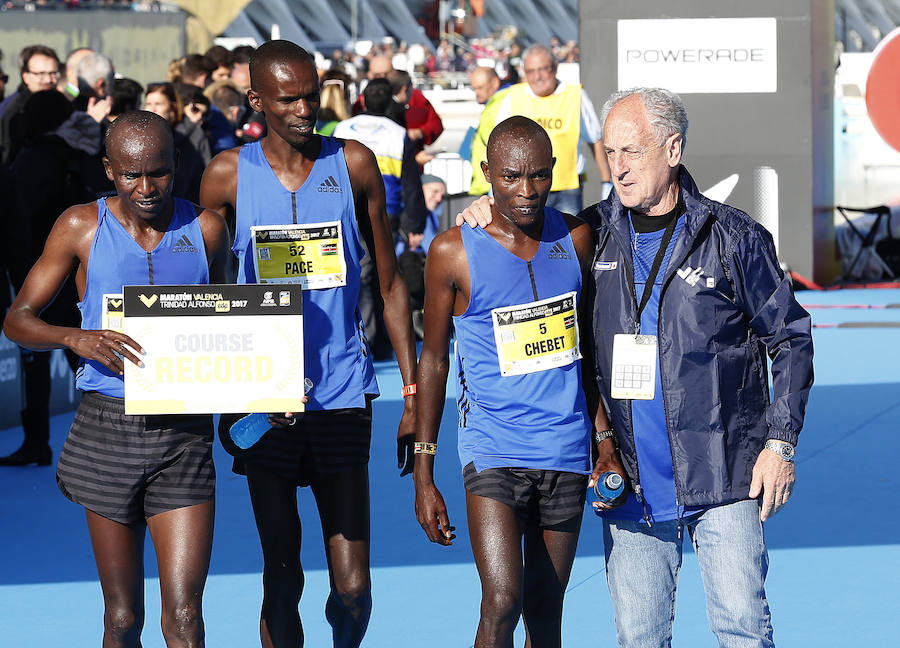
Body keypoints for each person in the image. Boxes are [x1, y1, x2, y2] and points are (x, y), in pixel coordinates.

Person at [459, 87, 814, 648]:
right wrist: (481, 208)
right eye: (610, 153)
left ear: (672, 149)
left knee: (742, 631)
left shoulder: (733, 236)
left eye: (633, 152)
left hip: (724, 471)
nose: (618, 169)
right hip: (632, 483)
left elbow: (790, 337)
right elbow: (519, 228)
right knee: (639, 640)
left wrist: (780, 443)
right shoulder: (589, 231)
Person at [199, 40, 418, 648]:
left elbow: (392, 283)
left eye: (311, 95)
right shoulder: (225, 175)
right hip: (263, 404)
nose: (304, 110)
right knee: (282, 575)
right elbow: (202, 294)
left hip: (343, 393)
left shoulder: (353, 165)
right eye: (287, 99)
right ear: (256, 101)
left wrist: (412, 390)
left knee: (353, 590)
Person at [2, 110, 230, 647]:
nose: (146, 188)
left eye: (159, 173)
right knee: (124, 619)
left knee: (185, 619)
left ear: (177, 165)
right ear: (109, 170)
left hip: (184, 432)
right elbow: (17, 319)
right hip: (106, 429)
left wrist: (262, 389)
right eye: (131, 175)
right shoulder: (81, 226)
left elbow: (232, 324)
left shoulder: (207, 228)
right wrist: (75, 338)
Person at [415, 116, 622, 648]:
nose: (526, 192)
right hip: (494, 450)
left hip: (565, 448)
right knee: (502, 602)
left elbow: (588, 352)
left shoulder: (576, 238)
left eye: (538, 177)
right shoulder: (452, 251)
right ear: (486, 173)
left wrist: (602, 439)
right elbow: (434, 358)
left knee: (546, 610)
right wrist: (424, 471)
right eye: (510, 178)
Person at [334, 77, 426, 360]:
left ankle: (370, 336)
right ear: (389, 102)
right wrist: (416, 223)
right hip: (388, 210)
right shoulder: (398, 133)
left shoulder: (342, 128)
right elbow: (410, 182)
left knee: (358, 274)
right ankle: (376, 339)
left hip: (347, 208)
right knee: (384, 277)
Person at [494, 43, 611, 214]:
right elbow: (498, 143)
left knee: (568, 238)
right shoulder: (513, 97)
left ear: (555, 68)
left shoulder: (574, 95)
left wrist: (606, 182)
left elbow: (595, 139)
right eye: (531, 71)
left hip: (567, 188)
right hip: (525, 187)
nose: (537, 76)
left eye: (543, 69)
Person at [144, 82, 209, 202]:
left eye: (158, 104)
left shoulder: (193, 135)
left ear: (172, 107)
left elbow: (206, 174)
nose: (152, 109)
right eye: (148, 104)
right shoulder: (140, 136)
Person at [0, 44, 61, 166]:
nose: (49, 79)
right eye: (41, 74)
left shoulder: (60, 104)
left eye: (53, 73)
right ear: (25, 76)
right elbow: (9, 157)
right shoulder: (15, 111)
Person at [467, 66, 509, 196]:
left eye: (480, 88)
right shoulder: (496, 104)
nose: (476, 93)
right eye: (474, 88)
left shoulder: (500, 105)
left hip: (494, 184)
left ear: (495, 83)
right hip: (490, 182)